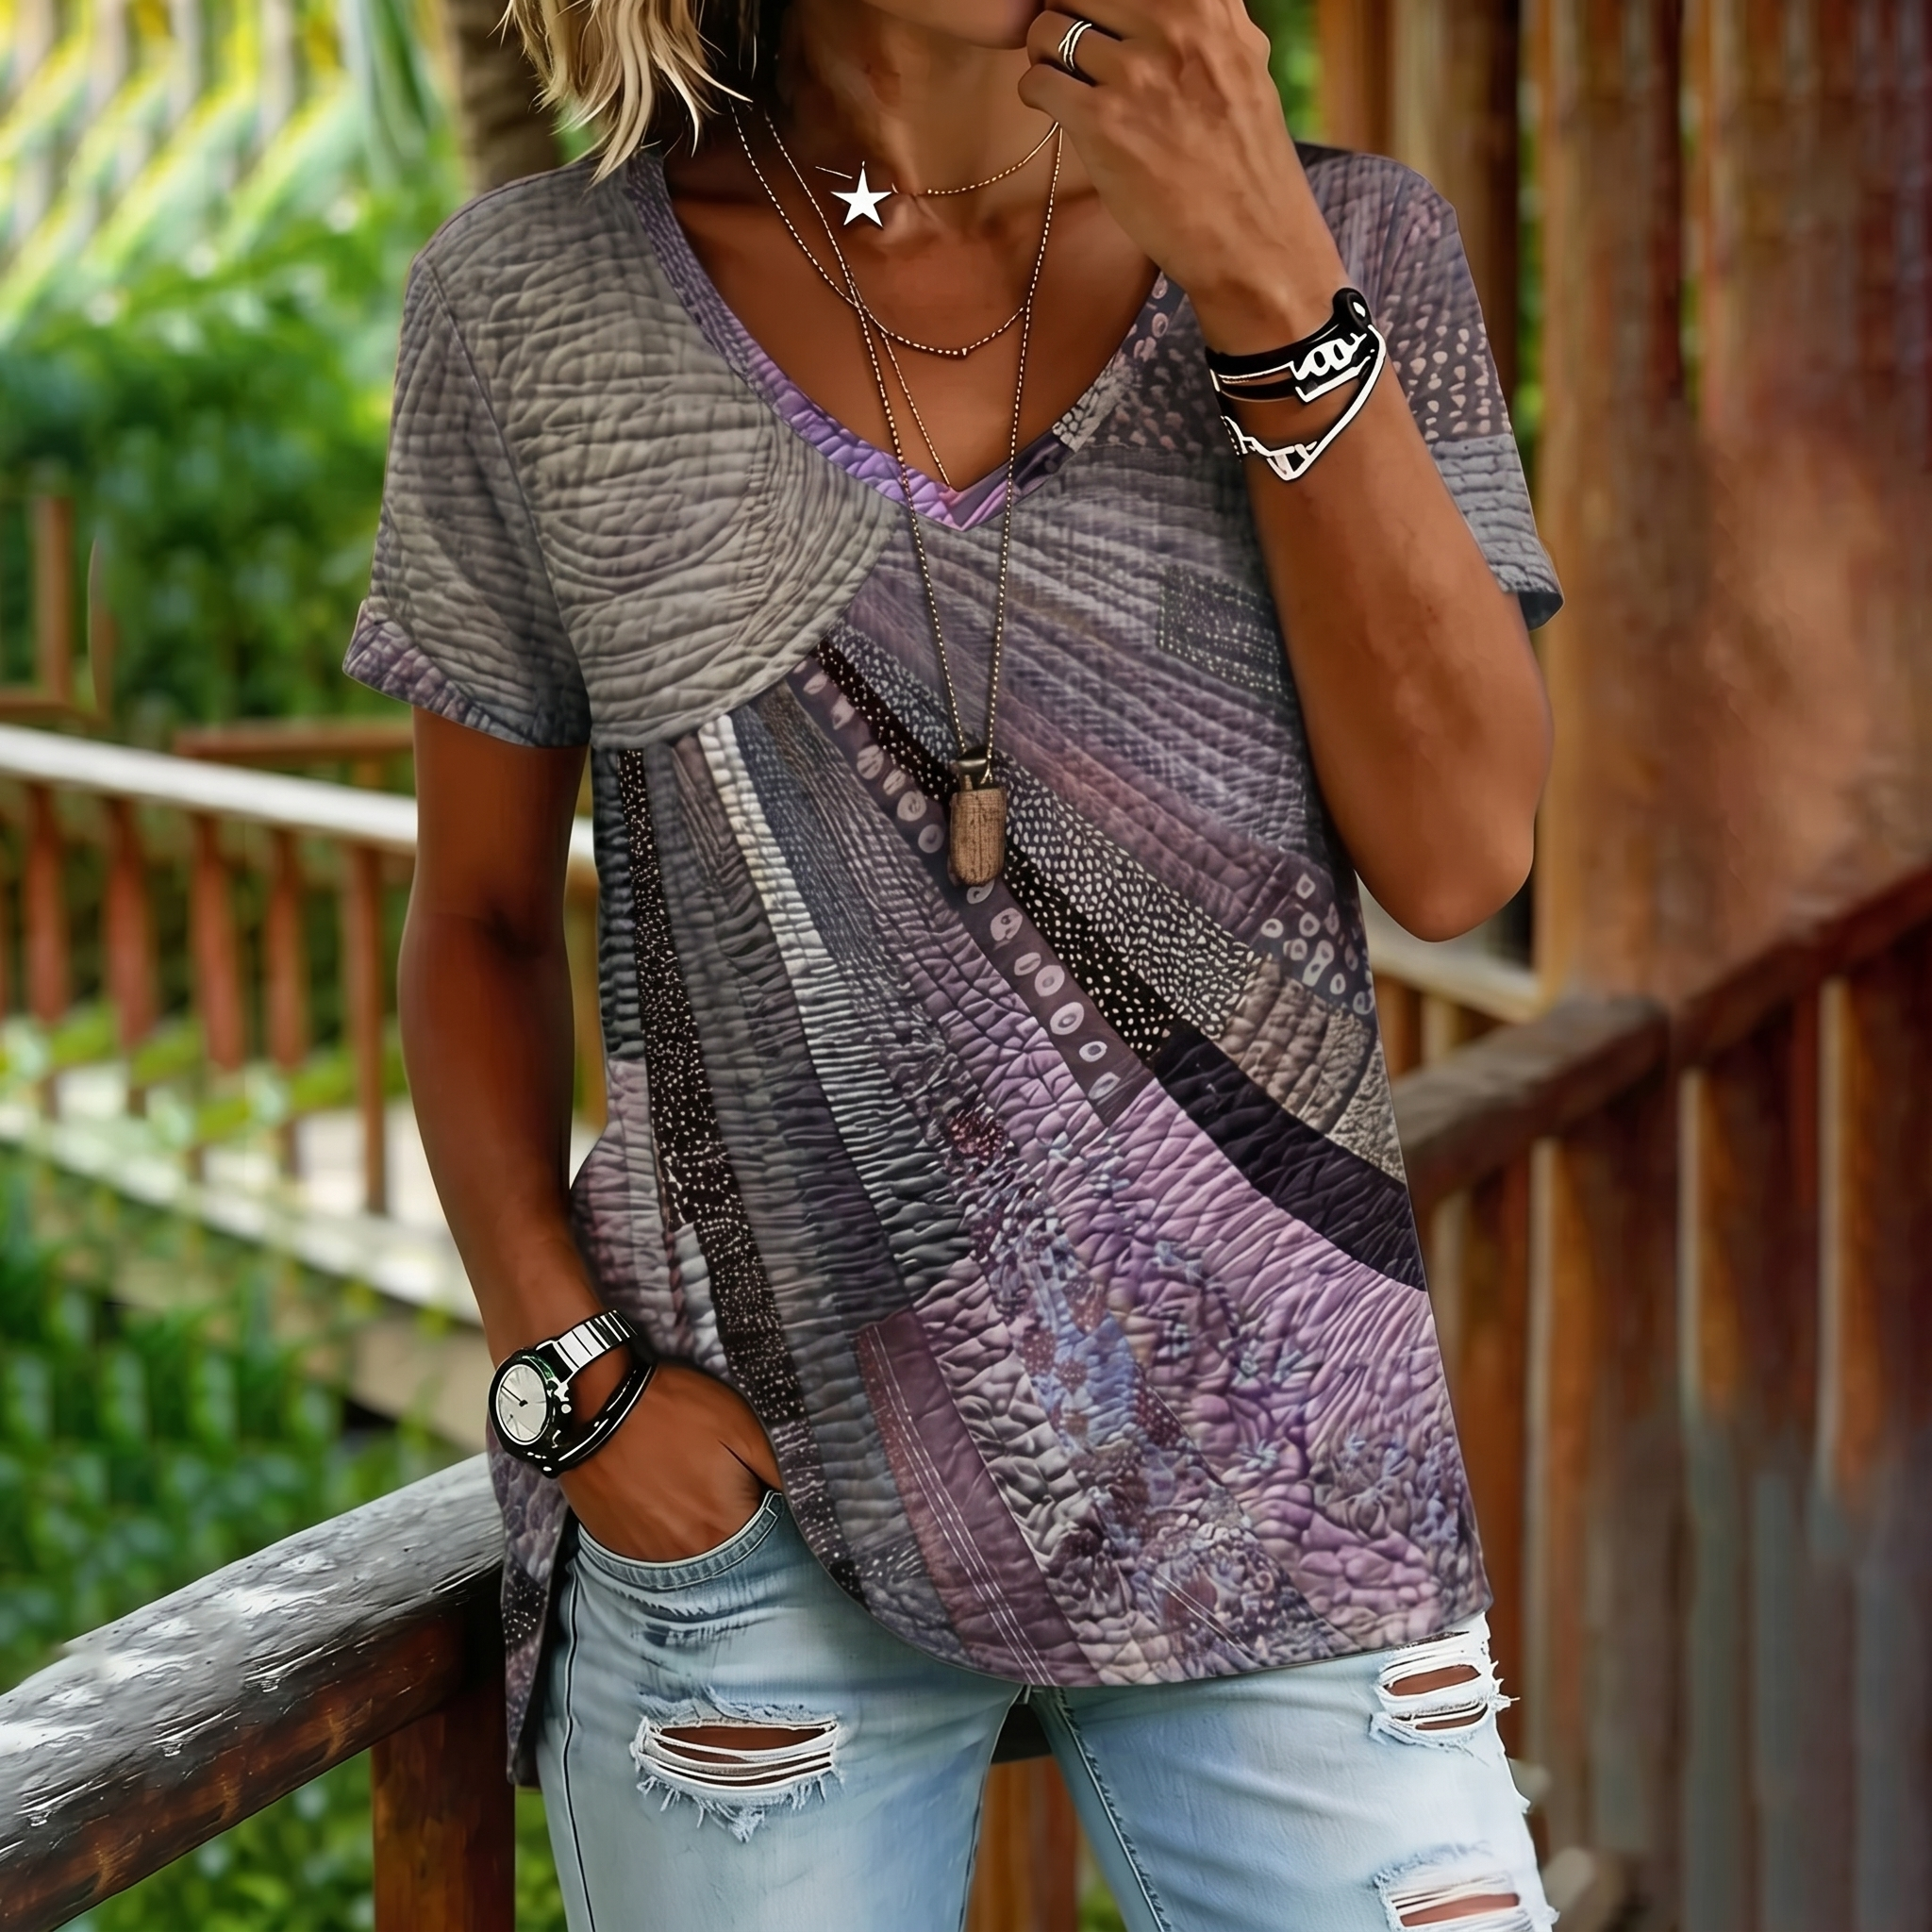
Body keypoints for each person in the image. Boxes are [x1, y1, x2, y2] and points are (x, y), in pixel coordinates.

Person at [351, 2, 1561, 1926]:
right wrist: (569, 1379)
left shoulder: (1353, 244)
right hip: (762, 1522)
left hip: (1291, 1480)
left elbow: (1461, 850)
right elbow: (478, 915)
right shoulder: (535, 300)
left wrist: (1267, 282)